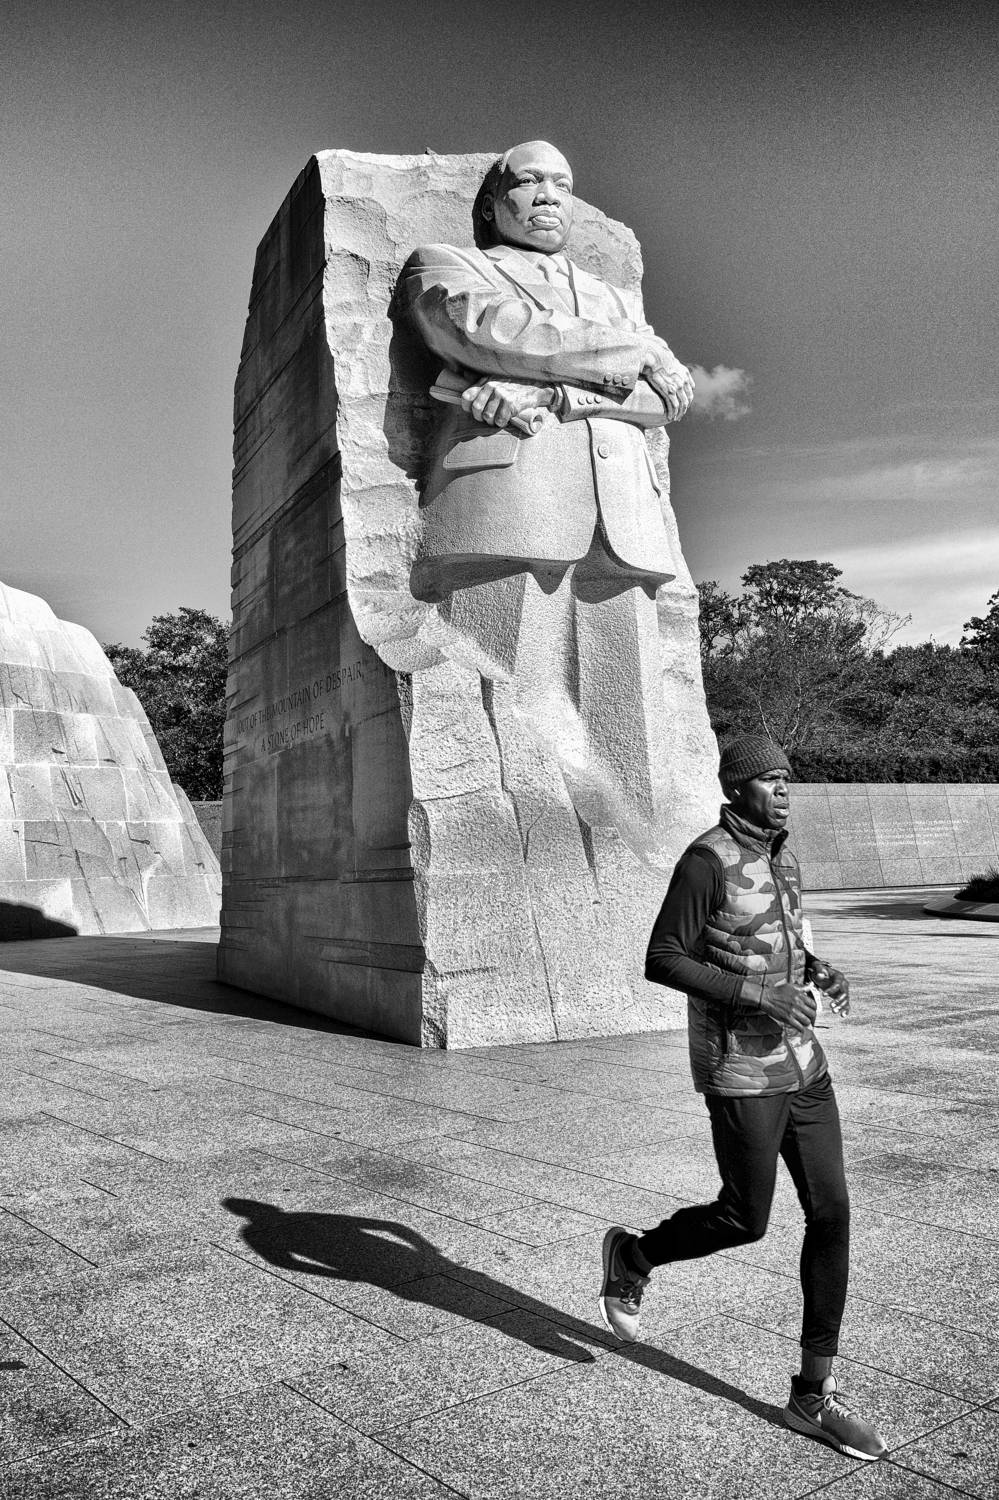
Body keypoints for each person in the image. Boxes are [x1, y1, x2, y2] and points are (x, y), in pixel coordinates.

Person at [597, 733, 887, 1462]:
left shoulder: (783, 856)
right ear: (735, 788)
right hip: (741, 1071)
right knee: (743, 1219)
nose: (783, 789)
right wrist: (758, 994)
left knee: (832, 1213)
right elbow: (662, 957)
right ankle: (634, 1255)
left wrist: (815, 968)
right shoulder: (706, 859)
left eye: (787, 776)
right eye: (768, 779)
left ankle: (812, 1393)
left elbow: (775, 941)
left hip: (804, 1067)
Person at [396, 140, 695, 605]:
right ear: (490, 207)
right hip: (506, 507)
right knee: (501, 648)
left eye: (562, 185)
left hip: (627, 519)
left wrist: (549, 394)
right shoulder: (445, 263)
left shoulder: (615, 300)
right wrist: (640, 351)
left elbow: (663, 401)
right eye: (528, 180)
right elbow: (491, 330)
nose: (549, 196)